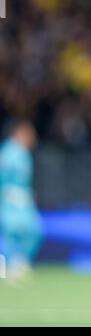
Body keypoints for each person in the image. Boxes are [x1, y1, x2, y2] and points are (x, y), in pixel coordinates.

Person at [0, 120, 42, 280]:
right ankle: (10, 264)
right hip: (9, 200)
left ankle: (21, 261)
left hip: (24, 200)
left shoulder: (24, 153)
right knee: (11, 232)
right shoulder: (8, 152)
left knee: (34, 231)